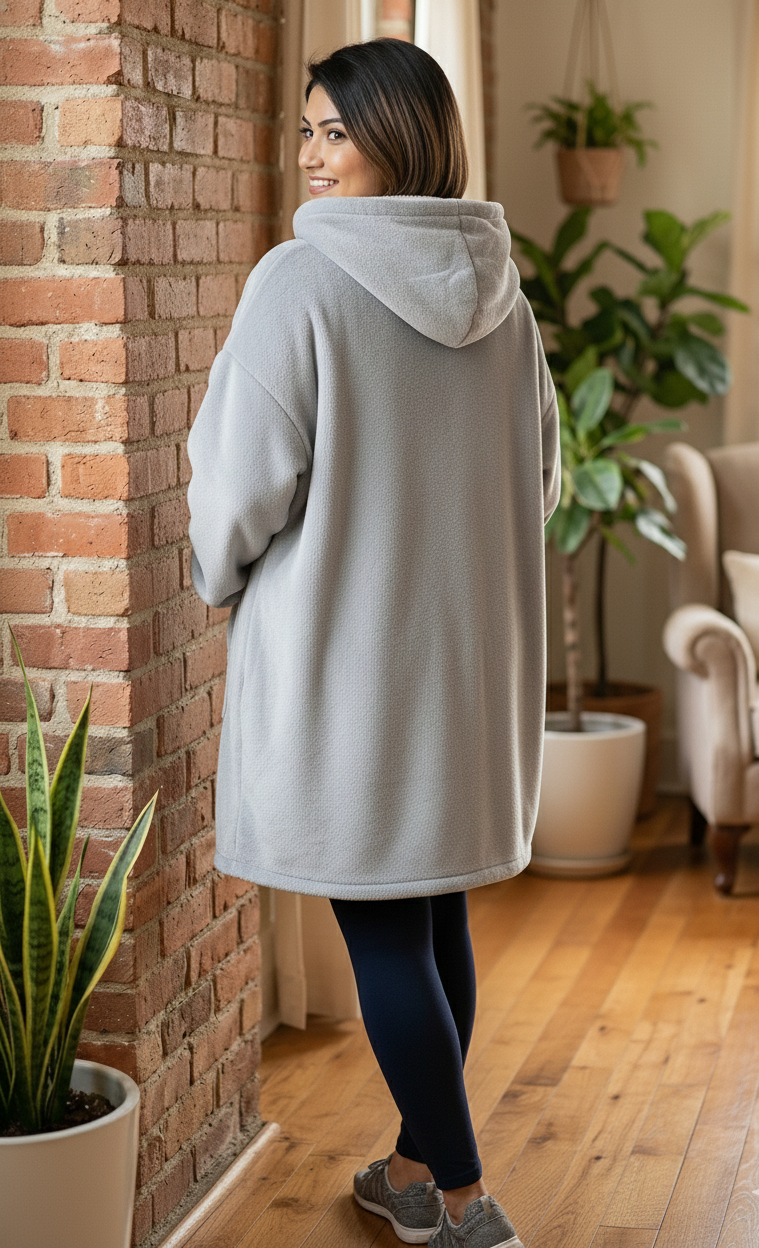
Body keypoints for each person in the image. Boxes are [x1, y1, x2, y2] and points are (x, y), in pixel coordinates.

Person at [187, 37, 560, 1248]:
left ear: (403, 134)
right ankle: (411, 1166)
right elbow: (544, 479)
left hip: (345, 669)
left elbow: (241, 485)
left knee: (381, 927)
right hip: (462, 670)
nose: (311, 152)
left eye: (335, 131)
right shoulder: (506, 300)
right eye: (306, 130)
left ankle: (460, 1200)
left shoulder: (299, 282)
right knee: (429, 909)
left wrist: (218, 573)